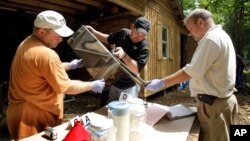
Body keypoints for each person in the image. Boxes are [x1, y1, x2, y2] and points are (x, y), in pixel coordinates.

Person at [6, 10, 105, 140]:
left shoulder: (26, 44)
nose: (61, 39)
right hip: (33, 118)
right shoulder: (47, 54)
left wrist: (71, 65)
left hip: (19, 113)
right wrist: (91, 85)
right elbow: (66, 87)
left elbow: (44, 68)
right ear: (42, 32)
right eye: (58, 34)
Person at [145, 8, 238, 141]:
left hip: (215, 106)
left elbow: (190, 71)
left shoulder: (211, 39)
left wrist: (162, 82)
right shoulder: (221, 35)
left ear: (200, 22)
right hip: (219, 103)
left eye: (190, 28)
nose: (189, 33)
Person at [86, 16, 150, 103]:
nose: (139, 36)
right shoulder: (123, 33)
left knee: (127, 112)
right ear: (133, 26)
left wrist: (124, 55)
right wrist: (94, 32)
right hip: (114, 82)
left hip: (128, 86)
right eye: (138, 32)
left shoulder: (144, 47)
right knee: (112, 108)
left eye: (143, 35)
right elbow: (108, 38)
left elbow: (137, 69)